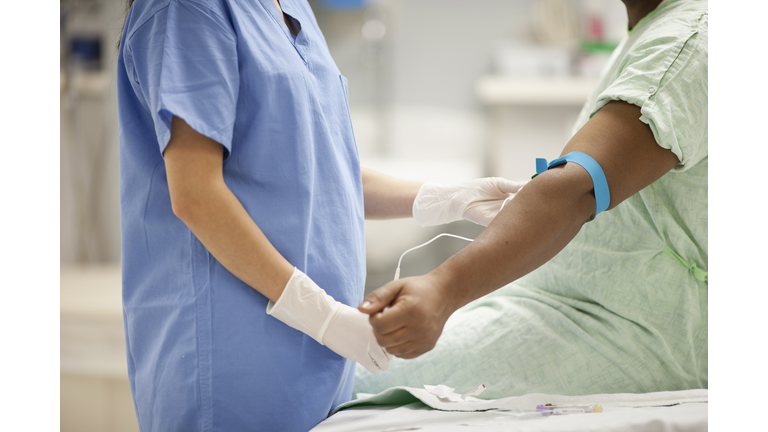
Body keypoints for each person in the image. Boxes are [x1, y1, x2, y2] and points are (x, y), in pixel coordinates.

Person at [116, 0, 522, 430]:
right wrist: (321, 316)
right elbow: (197, 193)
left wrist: (446, 198)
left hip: (312, 359)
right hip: (233, 356)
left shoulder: (288, 7)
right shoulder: (188, 9)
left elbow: (320, 170)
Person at [357, 0, 708, 399]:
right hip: (567, 303)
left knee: (352, 382)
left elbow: (575, 188)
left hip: (629, 331)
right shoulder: (653, 28)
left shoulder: (689, 42)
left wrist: (443, 289)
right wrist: (442, 199)